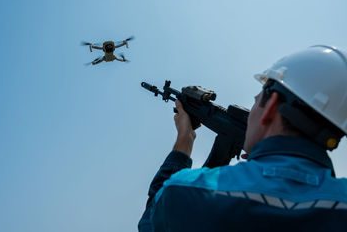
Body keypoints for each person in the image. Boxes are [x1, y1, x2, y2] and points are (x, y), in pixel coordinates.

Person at [138, 45, 347, 232]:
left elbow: (151, 221)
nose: (253, 107)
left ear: (271, 105)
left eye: (256, 100)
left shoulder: (185, 191)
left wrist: (184, 140)